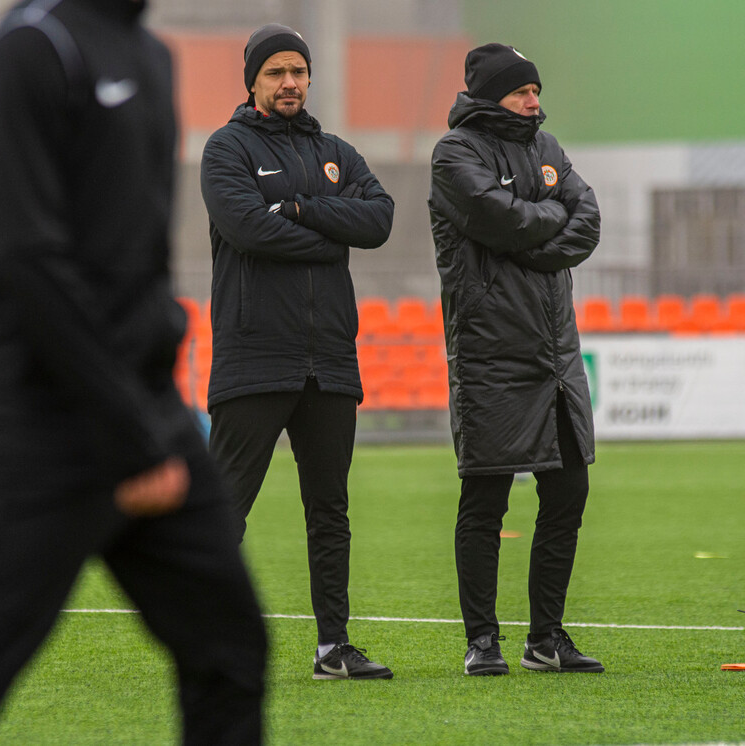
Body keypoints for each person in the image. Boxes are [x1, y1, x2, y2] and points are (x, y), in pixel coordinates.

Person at [0, 1, 267, 743]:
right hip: (47, 425)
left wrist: (155, 379)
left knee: (230, 651)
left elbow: (138, 247)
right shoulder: (37, 46)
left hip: (146, 411)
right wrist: (133, 437)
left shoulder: (152, 56)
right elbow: (24, 255)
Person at [199, 23, 395, 680]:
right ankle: (206, 646)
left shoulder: (335, 150)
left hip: (331, 362)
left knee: (330, 512)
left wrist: (300, 209)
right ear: (252, 80)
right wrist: (331, 230)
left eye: (299, 72)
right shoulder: (226, 149)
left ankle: (333, 648)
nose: (290, 83)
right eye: (277, 72)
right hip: (253, 360)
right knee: (223, 509)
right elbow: (248, 229)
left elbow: (380, 219)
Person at [428, 43, 605, 676]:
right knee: (485, 499)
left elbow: (587, 218)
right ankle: (482, 641)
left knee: (569, 493)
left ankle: (546, 638)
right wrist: (545, 225)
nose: (535, 101)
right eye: (523, 91)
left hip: (556, 355)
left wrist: (535, 233)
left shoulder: (547, 148)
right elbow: (493, 218)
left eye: (536, 90)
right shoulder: (454, 155)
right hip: (491, 355)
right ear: (491, 95)